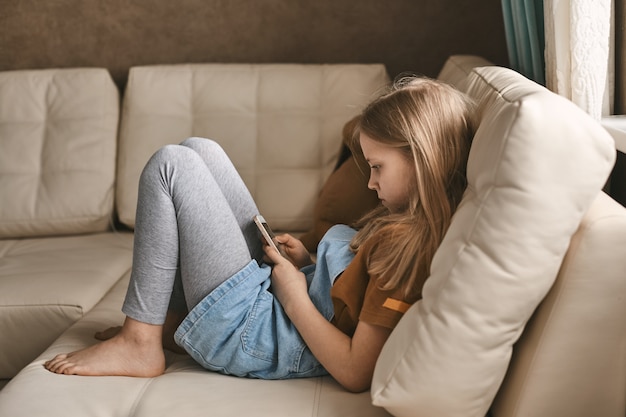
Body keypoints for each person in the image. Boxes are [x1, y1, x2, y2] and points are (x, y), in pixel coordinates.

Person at [44, 76, 475, 393]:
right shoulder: (402, 224)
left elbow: (355, 371)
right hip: (271, 302)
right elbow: (348, 295)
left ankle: (139, 341)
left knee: (170, 165)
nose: (370, 183)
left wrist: (293, 295)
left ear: (422, 160)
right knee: (200, 149)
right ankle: (167, 323)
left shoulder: (409, 254)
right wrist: (308, 263)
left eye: (378, 167)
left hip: (255, 331)